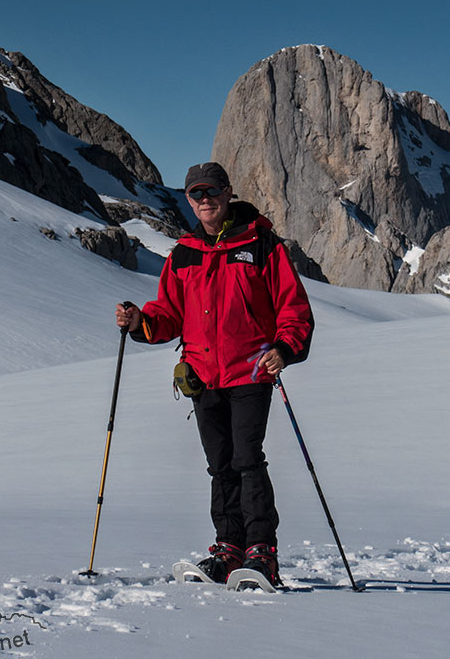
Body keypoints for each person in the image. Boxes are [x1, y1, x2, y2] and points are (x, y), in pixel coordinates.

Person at [116, 162, 313, 588]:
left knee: (246, 460)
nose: (204, 201)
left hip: (251, 372)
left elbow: (293, 307)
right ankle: (228, 550)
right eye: (195, 195)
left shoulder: (263, 244)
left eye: (211, 192)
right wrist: (139, 323)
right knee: (219, 466)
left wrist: (283, 348)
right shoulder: (183, 254)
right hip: (202, 377)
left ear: (227, 193)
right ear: (189, 201)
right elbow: (168, 313)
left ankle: (262, 553)